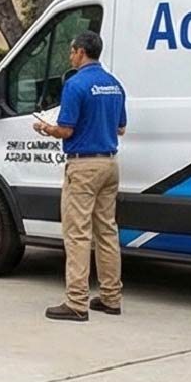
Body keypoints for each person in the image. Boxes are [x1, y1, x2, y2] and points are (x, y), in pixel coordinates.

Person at [32, 30, 127, 321]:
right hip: (109, 163)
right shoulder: (114, 84)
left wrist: (45, 128)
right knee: (107, 232)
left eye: (72, 51)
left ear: (81, 52)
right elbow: (121, 128)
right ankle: (111, 297)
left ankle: (76, 302)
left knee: (77, 234)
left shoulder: (75, 85)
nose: (70, 56)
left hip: (83, 165)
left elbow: (66, 130)